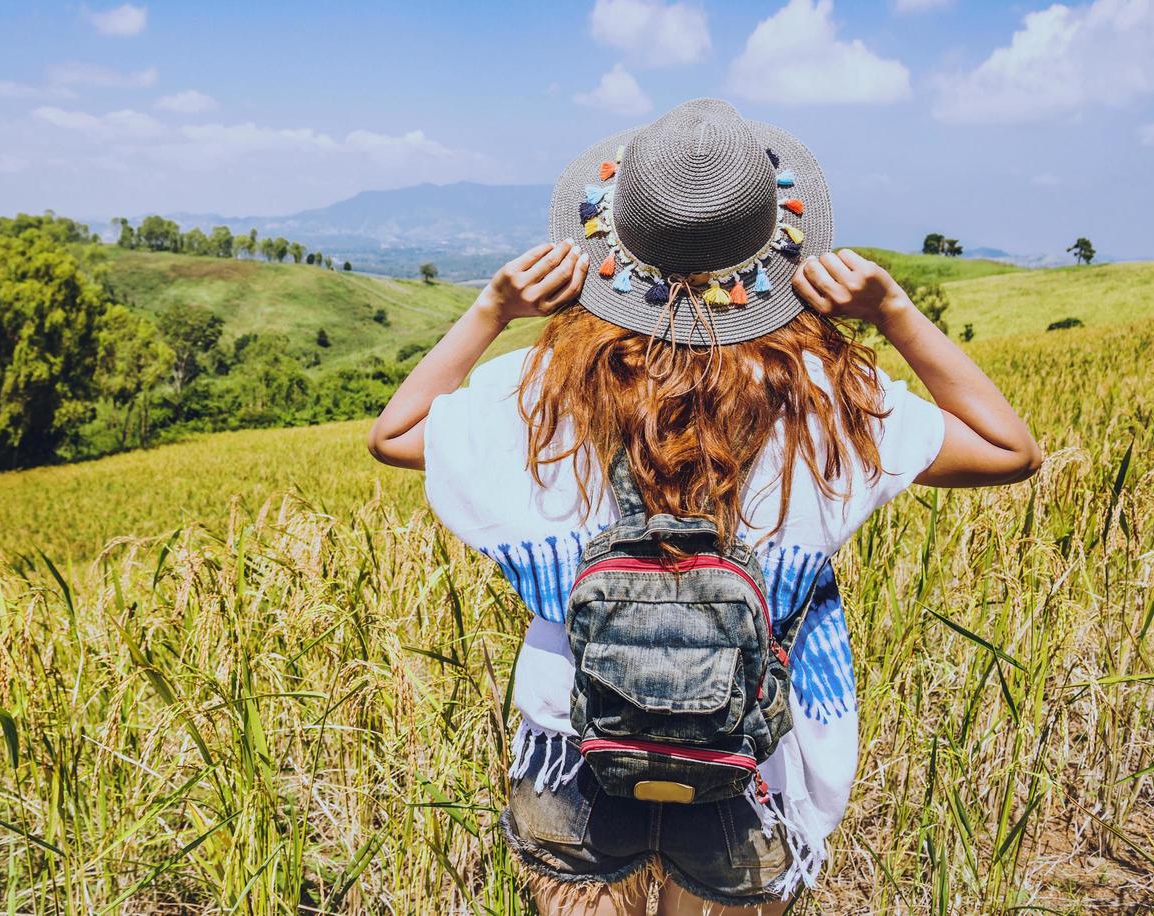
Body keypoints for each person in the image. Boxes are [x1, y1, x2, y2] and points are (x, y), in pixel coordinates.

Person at [367, 99, 1041, 914]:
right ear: (776, 252)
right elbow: (1009, 451)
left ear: (611, 249)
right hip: (749, 756)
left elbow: (395, 433)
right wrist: (890, 313)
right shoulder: (830, 403)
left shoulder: (544, 395)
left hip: (577, 740)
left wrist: (492, 309)